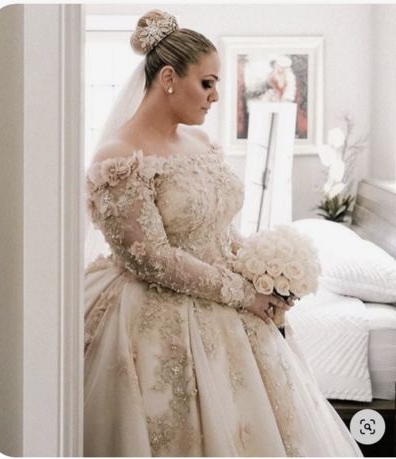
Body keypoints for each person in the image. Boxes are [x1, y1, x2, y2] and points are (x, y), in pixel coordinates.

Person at [84, 10, 363, 457]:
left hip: (227, 301)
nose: (215, 96)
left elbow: (221, 228)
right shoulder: (120, 157)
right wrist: (242, 293)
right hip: (153, 314)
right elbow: (149, 257)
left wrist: (263, 275)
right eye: (207, 83)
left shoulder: (201, 144)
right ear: (170, 78)